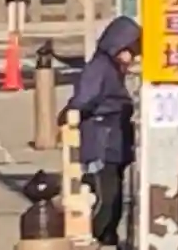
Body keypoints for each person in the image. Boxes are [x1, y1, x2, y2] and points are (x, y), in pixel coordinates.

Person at [65, 16, 140, 249]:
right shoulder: (99, 67)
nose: (132, 57)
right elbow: (84, 99)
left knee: (114, 195)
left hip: (113, 141)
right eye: (130, 50)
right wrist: (70, 114)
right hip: (101, 142)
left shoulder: (113, 69)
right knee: (103, 197)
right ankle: (94, 236)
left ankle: (107, 236)